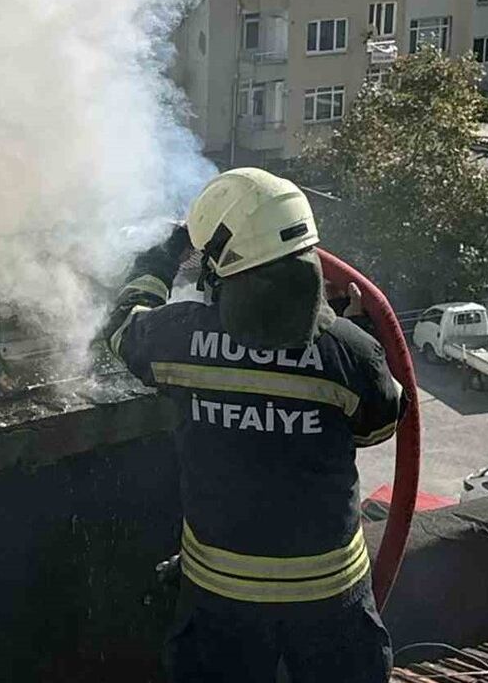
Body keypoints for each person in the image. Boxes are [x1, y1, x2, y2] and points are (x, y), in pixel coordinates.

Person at [103, 168, 407, 682]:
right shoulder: (351, 353)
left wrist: (164, 253)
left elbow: (122, 327)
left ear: (222, 267)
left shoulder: (181, 339)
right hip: (332, 605)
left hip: (221, 606)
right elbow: (377, 425)